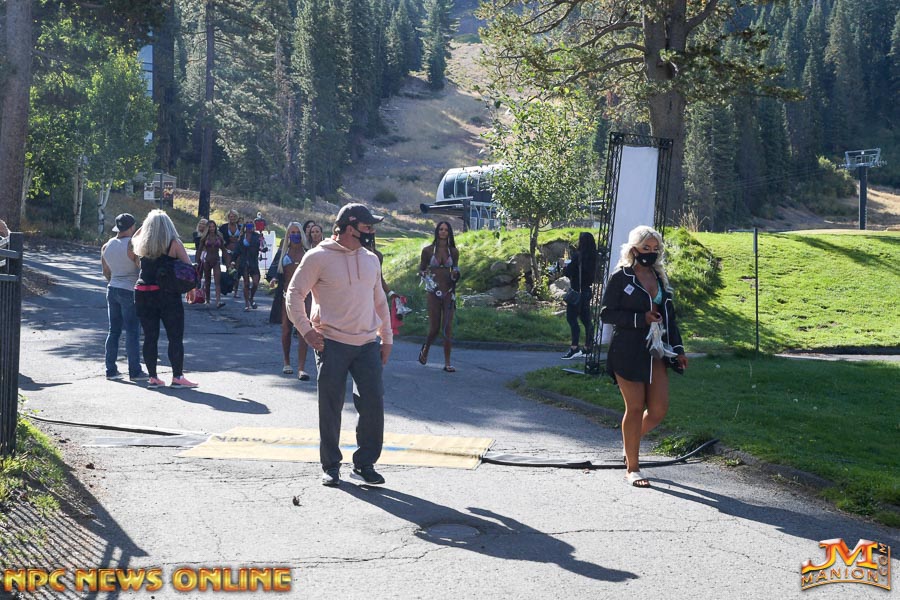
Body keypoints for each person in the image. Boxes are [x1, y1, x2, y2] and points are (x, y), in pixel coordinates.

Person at [285, 203, 392, 487]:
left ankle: (365, 464)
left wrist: (387, 337)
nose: (371, 232)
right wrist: (306, 331)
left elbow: (380, 300)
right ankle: (331, 466)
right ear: (348, 227)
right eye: (367, 227)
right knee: (331, 407)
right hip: (331, 342)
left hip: (367, 343)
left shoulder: (371, 259)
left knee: (373, 404)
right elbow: (294, 294)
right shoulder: (318, 257)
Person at [599, 225, 688, 488]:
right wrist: (641, 319)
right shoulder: (621, 277)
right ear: (634, 249)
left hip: (655, 350)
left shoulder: (659, 277)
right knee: (635, 408)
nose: (650, 252)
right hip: (626, 350)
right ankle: (633, 468)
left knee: (658, 410)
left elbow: (670, 318)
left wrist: (679, 350)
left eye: (655, 248)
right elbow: (606, 314)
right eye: (645, 247)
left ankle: (629, 444)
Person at [132, 209, 198, 389]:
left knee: (150, 337)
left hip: (143, 293)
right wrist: (192, 289)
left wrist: (147, 225)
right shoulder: (174, 244)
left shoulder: (142, 244)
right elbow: (188, 269)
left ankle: (153, 378)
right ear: (169, 226)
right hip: (167, 295)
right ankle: (177, 377)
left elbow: (134, 236)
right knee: (175, 337)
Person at [100, 213, 146, 381]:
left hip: (112, 288)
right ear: (132, 227)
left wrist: (114, 280)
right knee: (132, 331)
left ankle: (110, 369)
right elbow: (141, 268)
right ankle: (135, 371)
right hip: (129, 289)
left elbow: (106, 271)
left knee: (113, 331)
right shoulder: (133, 246)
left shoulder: (107, 245)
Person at [417, 221, 461, 372]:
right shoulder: (428, 250)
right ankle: (426, 348)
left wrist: (455, 273)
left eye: (446, 230)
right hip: (433, 292)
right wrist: (423, 273)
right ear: (437, 231)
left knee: (447, 328)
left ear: (449, 233)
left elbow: (456, 268)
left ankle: (447, 363)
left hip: (448, 292)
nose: (443, 232)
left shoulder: (453, 251)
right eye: (441, 229)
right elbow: (421, 268)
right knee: (434, 328)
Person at [272, 222, 310, 379]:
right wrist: (274, 278)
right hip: (286, 296)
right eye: (292, 232)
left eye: (297, 232)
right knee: (286, 329)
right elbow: (275, 270)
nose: (295, 235)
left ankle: (301, 368)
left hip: (304, 296)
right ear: (288, 234)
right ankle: (286, 362)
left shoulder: (308, 252)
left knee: (303, 331)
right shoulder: (284, 251)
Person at [561, 232, 597, 360]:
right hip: (587, 291)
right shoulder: (594, 257)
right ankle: (588, 347)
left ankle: (574, 347)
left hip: (577, 291)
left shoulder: (578, 256)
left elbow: (568, 272)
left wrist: (565, 266)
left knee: (572, 318)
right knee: (586, 320)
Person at [231, 222, 267, 311]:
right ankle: (247, 304)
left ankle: (251, 297)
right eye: (248, 226)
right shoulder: (241, 238)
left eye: (251, 226)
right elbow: (237, 250)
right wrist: (233, 260)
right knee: (246, 284)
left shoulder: (257, 236)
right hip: (244, 263)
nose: (250, 228)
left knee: (255, 283)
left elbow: (263, 247)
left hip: (253, 263)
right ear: (245, 227)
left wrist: (262, 244)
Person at [199, 219, 227, 308]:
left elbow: (224, 250)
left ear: (215, 227)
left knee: (217, 281)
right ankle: (207, 300)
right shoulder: (204, 238)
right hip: (207, 261)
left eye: (213, 227)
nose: (212, 228)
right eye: (210, 227)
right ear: (207, 228)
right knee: (207, 281)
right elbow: (199, 250)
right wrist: (197, 262)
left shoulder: (219, 237)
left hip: (216, 261)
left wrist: (228, 262)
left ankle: (218, 301)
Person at [220, 210, 242, 298]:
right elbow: (219, 236)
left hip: (238, 251)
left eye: (234, 216)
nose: (232, 218)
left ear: (236, 217)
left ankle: (235, 291)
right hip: (227, 251)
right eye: (230, 217)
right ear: (228, 217)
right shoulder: (223, 227)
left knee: (237, 270)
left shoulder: (240, 227)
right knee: (229, 269)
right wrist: (224, 243)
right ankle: (226, 287)